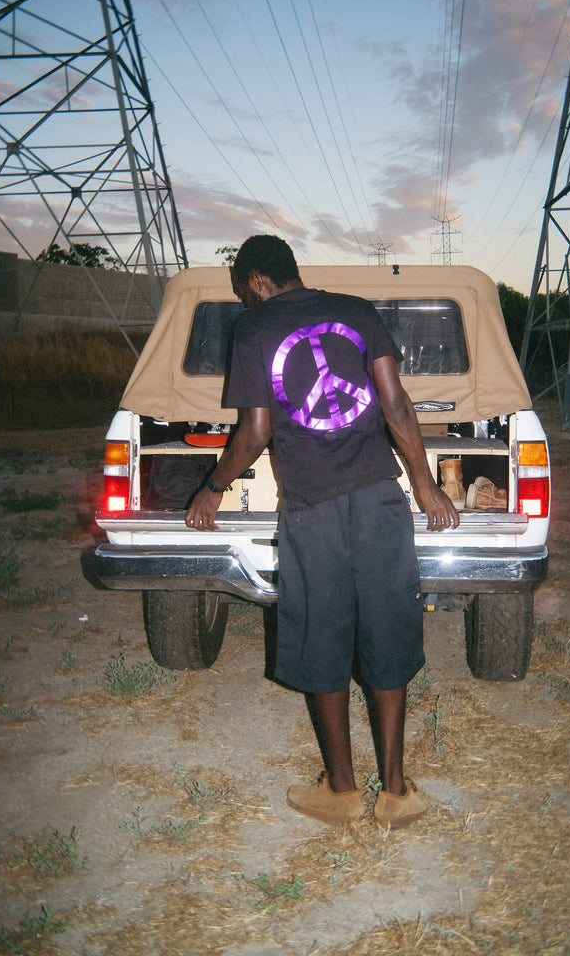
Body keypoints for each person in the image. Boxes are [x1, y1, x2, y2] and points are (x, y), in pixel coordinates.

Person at [186, 235, 459, 828]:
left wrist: (212, 487)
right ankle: (396, 791)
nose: (246, 300)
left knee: (320, 633)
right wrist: (426, 484)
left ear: (257, 280)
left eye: (242, 290)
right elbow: (398, 406)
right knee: (388, 625)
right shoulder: (357, 311)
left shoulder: (255, 330)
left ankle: (340, 792)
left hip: (311, 508)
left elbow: (256, 431)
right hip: (380, 498)